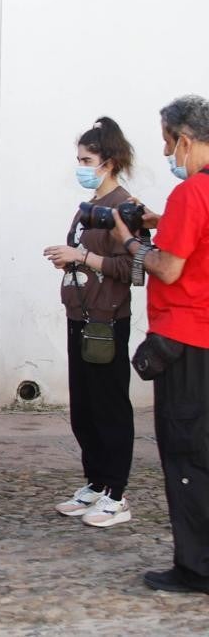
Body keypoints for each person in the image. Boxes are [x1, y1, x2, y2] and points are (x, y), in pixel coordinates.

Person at [111, 95, 209, 594]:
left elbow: (169, 266)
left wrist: (131, 241)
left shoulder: (194, 191)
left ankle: (196, 567)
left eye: (169, 143)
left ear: (185, 140)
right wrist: (158, 223)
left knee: (187, 455)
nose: (169, 153)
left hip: (188, 341)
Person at [41, 118, 137, 526]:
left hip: (107, 319)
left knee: (108, 404)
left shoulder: (124, 207)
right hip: (80, 314)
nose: (81, 167)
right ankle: (96, 483)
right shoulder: (91, 207)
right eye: (78, 159)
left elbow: (133, 267)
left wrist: (80, 258)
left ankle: (116, 491)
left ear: (109, 162)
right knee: (84, 406)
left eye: (87, 160)